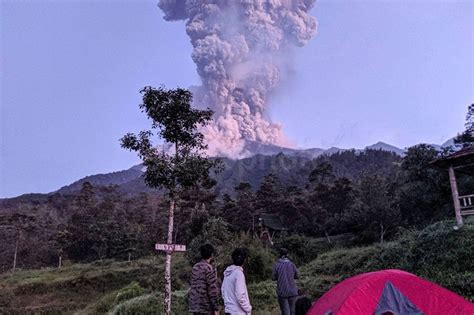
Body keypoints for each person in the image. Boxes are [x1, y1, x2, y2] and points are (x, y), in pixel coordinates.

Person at [189, 244, 220, 315]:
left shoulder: (195, 267)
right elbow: (212, 290)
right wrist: (216, 308)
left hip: (195, 306)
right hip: (206, 307)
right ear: (212, 255)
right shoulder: (209, 268)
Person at [221, 248, 252, 315]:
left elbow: (223, 291)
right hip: (238, 312)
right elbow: (240, 295)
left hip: (229, 311)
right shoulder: (238, 274)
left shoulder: (227, 273)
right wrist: (248, 308)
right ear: (244, 260)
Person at [272, 248, 299, 315]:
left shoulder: (277, 265)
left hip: (282, 292)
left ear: (280, 255)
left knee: (286, 313)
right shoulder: (292, 264)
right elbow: (297, 275)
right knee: (293, 312)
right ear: (287, 255)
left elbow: (273, 277)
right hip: (292, 291)